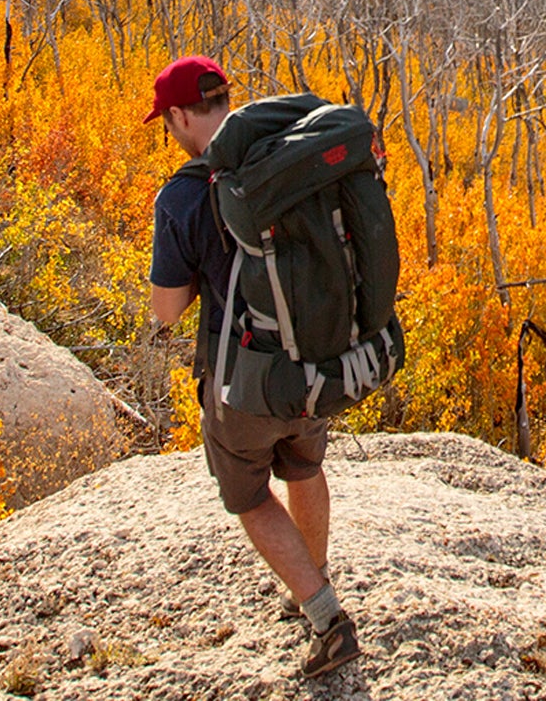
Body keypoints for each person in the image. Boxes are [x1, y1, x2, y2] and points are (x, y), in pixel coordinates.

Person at [145, 55, 360, 679]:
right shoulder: (291, 159)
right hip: (314, 360)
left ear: (182, 116)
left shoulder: (185, 194)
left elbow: (166, 310)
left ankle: (326, 618)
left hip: (241, 380)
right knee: (304, 464)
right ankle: (310, 579)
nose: (170, 128)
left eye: (168, 119)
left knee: (246, 493)